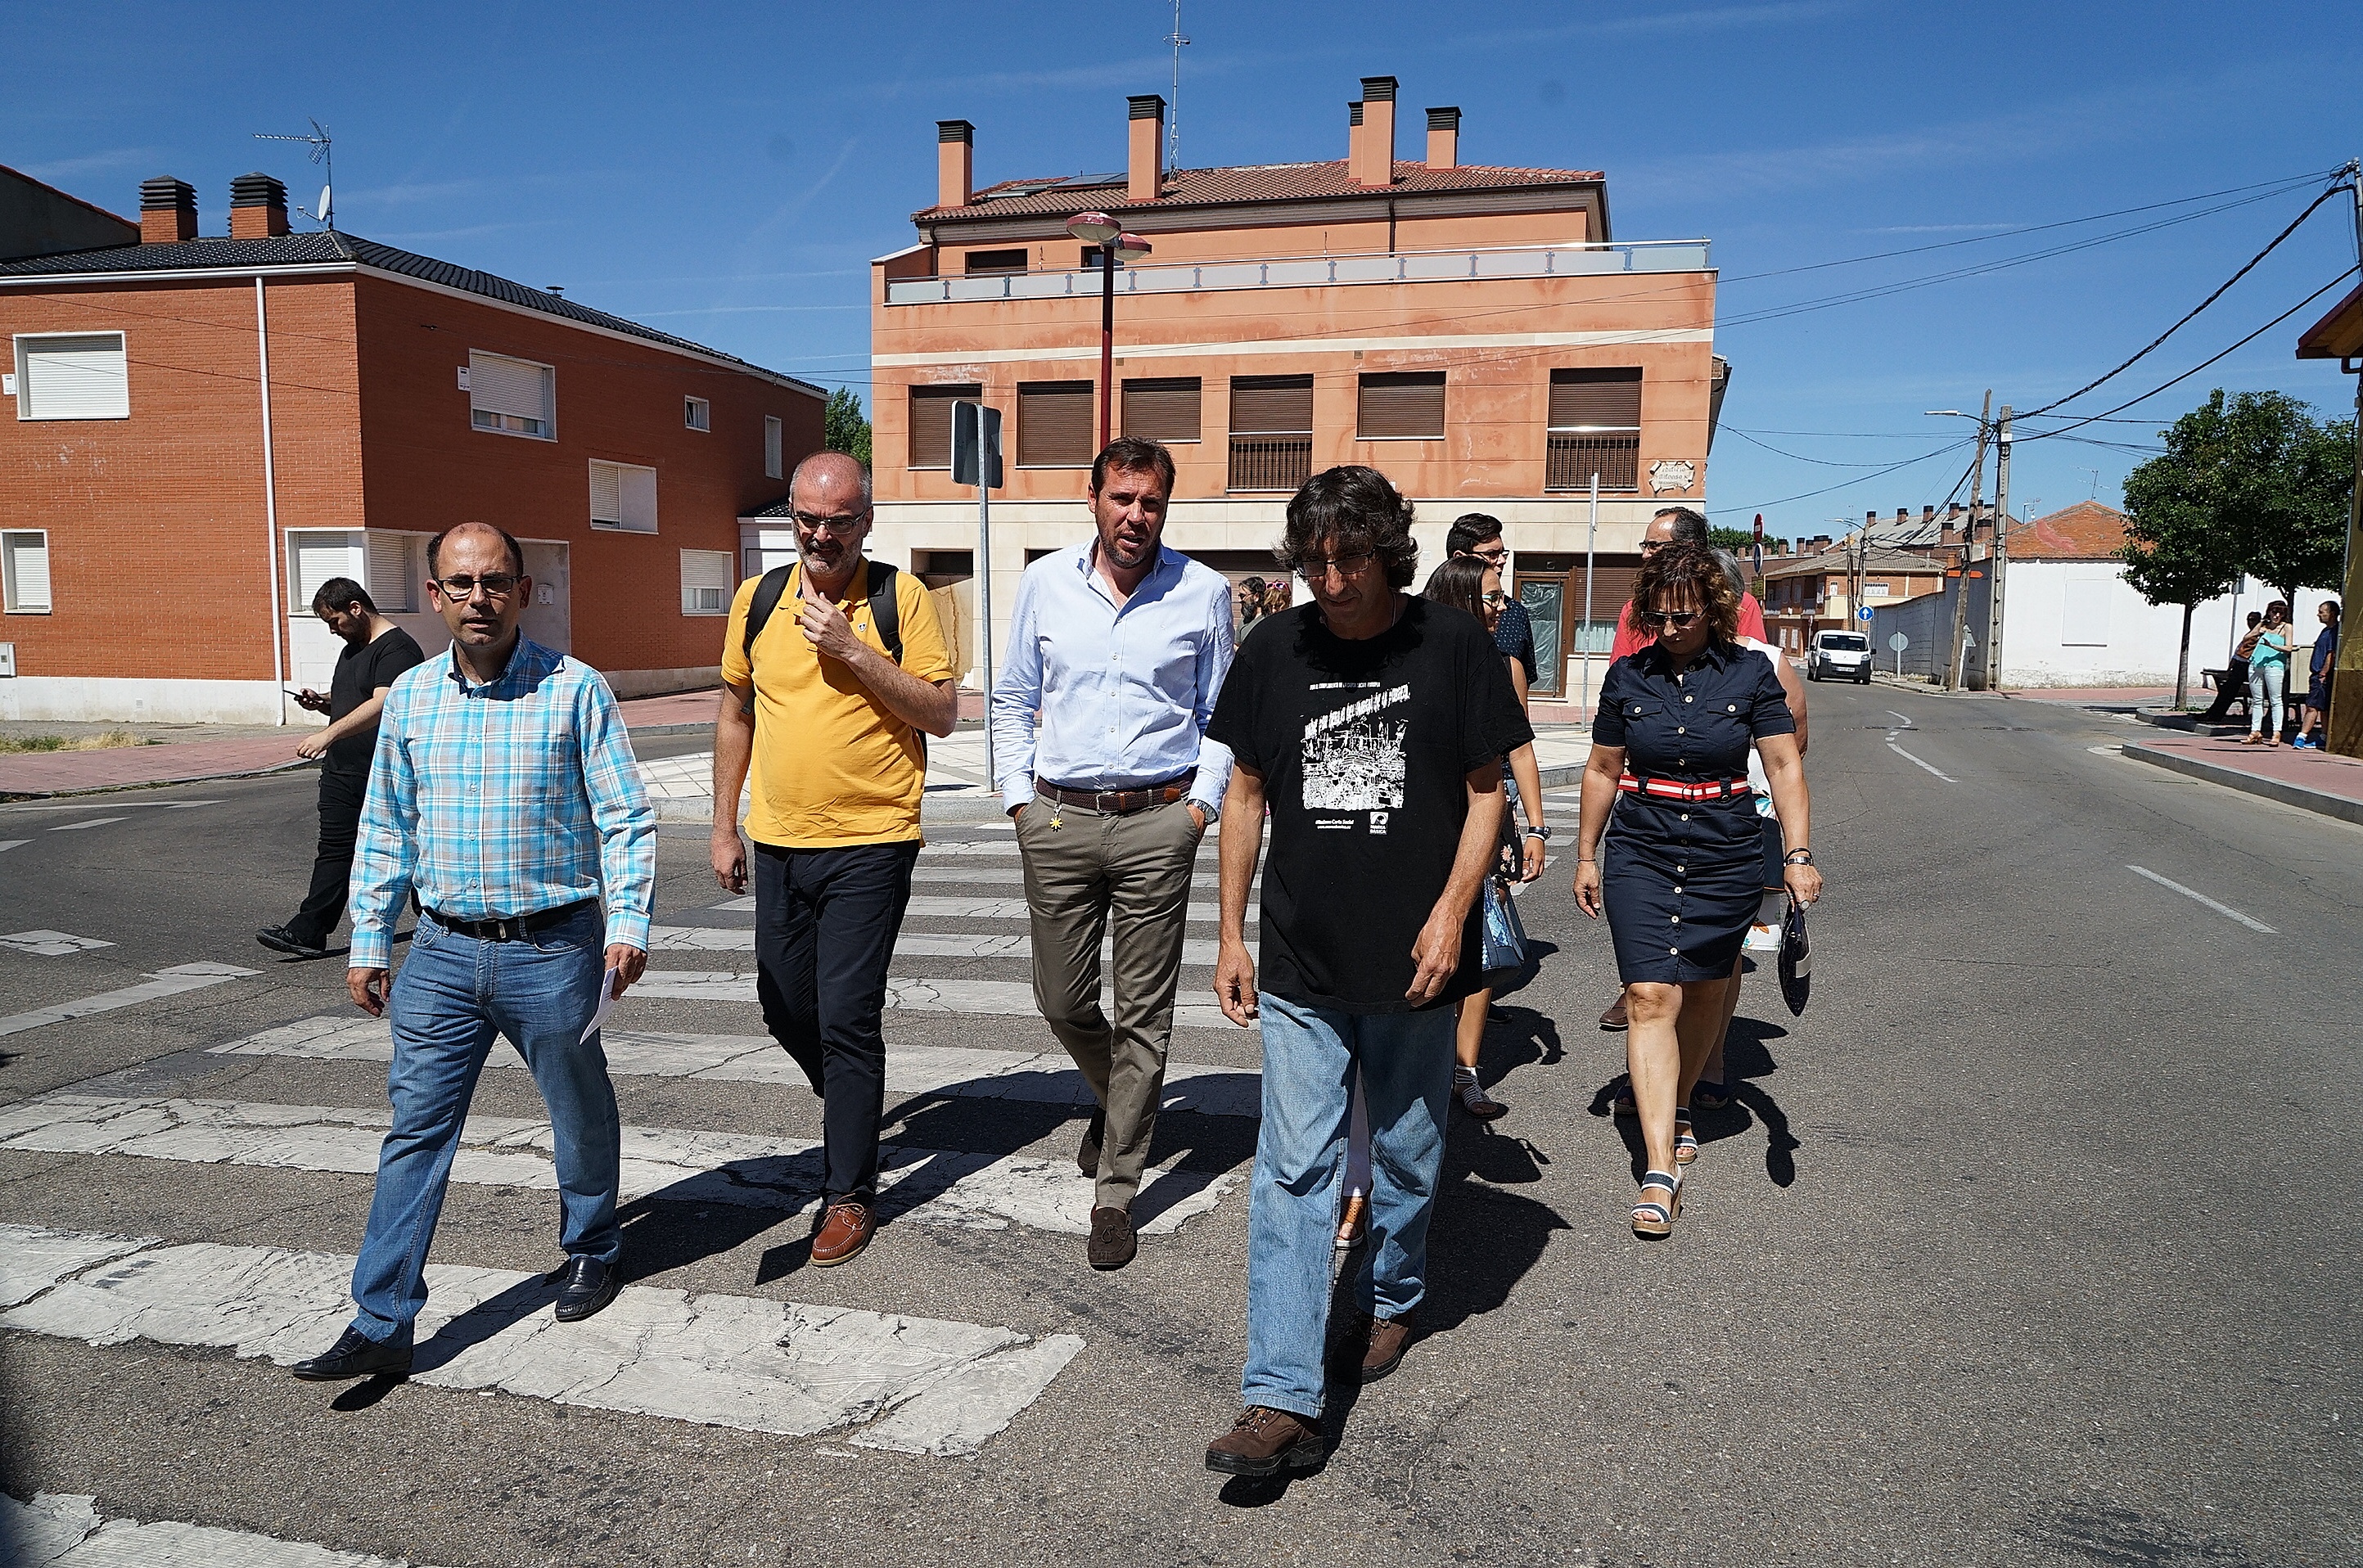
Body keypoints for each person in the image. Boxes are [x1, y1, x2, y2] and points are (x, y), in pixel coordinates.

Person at [1202, 465, 1531, 1477]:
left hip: (1418, 963)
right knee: (1292, 1169)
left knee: (1406, 1151)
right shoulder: (1273, 648)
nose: (1333, 581)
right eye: (1315, 561)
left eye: (1350, 559)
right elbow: (1245, 792)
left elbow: (1486, 792)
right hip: (1302, 958)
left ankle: (1392, 1294)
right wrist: (1229, 934)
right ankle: (1280, 1395)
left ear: (1388, 552)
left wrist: (1450, 915)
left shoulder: (1453, 644)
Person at [291, 523, 656, 1381]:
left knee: (578, 1109)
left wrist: (628, 925)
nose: (478, 598)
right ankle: (382, 1318)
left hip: (553, 947)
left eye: (494, 581)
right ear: (435, 595)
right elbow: (386, 826)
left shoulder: (574, 689)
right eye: (460, 584)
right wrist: (369, 938)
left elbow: (625, 819)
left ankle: (593, 1244)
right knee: (414, 1130)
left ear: (521, 590)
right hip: (443, 953)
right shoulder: (413, 697)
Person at [991, 437, 1235, 1271]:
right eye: (1122, 498)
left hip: (1158, 822)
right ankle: (1119, 1093)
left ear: (1166, 506)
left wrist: (1200, 807)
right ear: (1092, 498)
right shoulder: (1044, 583)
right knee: (1061, 1000)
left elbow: (1220, 714)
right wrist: (1017, 800)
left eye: (1151, 502)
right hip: (1058, 819)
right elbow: (1013, 696)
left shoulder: (1202, 591)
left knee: (1143, 1012)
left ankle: (1116, 1191)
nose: (1136, 515)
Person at [710, 451, 958, 1269]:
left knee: (848, 1016)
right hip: (781, 839)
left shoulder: (900, 596)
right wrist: (723, 825)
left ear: (866, 522)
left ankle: (847, 1193)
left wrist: (852, 647)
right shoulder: (757, 598)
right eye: (807, 519)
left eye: (839, 521)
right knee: (783, 1003)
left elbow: (941, 712)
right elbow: (736, 713)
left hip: (872, 840)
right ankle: (852, 1101)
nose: (821, 535)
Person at [1572, 542, 1820, 1239]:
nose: (1671, 628)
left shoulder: (1752, 673)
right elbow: (1601, 768)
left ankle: (1677, 1102)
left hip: (1725, 849)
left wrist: (1797, 855)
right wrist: (1585, 855)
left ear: (1712, 610)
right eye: (1658, 616)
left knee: (1707, 990)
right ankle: (1659, 1171)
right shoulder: (1627, 677)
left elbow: (1784, 766)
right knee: (1650, 995)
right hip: (1641, 848)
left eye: (1683, 616)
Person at [1599, 507, 1770, 1032]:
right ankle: (1644, 994)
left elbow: (1765, 690)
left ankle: (1709, 1058)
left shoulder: (1739, 605)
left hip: (1725, 807)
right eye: (1646, 546)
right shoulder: (1636, 611)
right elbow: (1622, 694)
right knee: (1651, 989)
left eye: (1655, 546)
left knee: (1709, 978)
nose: (1644, 554)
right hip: (1651, 807)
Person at [1421, 555, 1548, 1121]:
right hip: (1425, 826)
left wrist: (1534, 827)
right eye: (1493, 597)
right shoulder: (1414, 662)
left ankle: (1464, 1072)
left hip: (1483, 821)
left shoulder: (1501, 665)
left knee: (1477, 949)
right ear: (1460, 599)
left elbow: (1518, 749)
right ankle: (1420, 1064)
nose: (1502, 607)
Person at [258, 580, 426, 960]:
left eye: (334, 621)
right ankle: (308, 931)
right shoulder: (353, 649)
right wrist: (323, 702)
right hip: (342, 773)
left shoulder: (398, 649)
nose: (332, 630)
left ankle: (439, 920)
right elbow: (356, 697)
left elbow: (384, 702)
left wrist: (328, 734)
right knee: (335, 851)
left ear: (356, 608)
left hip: (383, 773)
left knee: (411, 848)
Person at [1447, 512, 1536, 695]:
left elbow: (1522, 684)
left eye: (1502, 553)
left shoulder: (1514, 612)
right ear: (1460, 557)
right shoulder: (1423, 610)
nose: (1502, 561)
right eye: (1492, 554)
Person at [2243, 601, 2294, 746]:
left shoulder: (2286, 627)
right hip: (2256, 663)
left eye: (2280, 613)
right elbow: (2247, 638)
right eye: (2274, 612)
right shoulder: (2263, 625)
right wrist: (2258, 630)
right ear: (2269, 612)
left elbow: (2289, 648)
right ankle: (2255, 731)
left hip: (2274, 665)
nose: (2276, 616)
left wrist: (2272, 645)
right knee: (2257, 700)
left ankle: (2276, 732)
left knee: (2275, 699)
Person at [2199, 611, 2263, 726]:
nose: (2250, 622)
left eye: (2253, 620)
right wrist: (2230, 668)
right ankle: (2211, 714)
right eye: (2248, 619)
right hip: (2239, 665)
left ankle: (2215, 715)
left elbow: (2247, 654)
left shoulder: (2259, 635)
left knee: (2229, 690)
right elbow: (2237, 654)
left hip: (2247, 666)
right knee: (2226, 690)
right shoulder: (2249, 635)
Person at [2293, 601, 2339, 750]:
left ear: (2331, 614)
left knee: (2312, 706)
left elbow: (2331, 654)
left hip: (2321, 675)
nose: (2318, 615)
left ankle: (2301, 736)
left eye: (2321, 612)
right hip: (2318, 674)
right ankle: (2323, 737)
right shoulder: (2326, 631)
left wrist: (2323, 673)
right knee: (2323, 708)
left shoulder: (2334, 632)